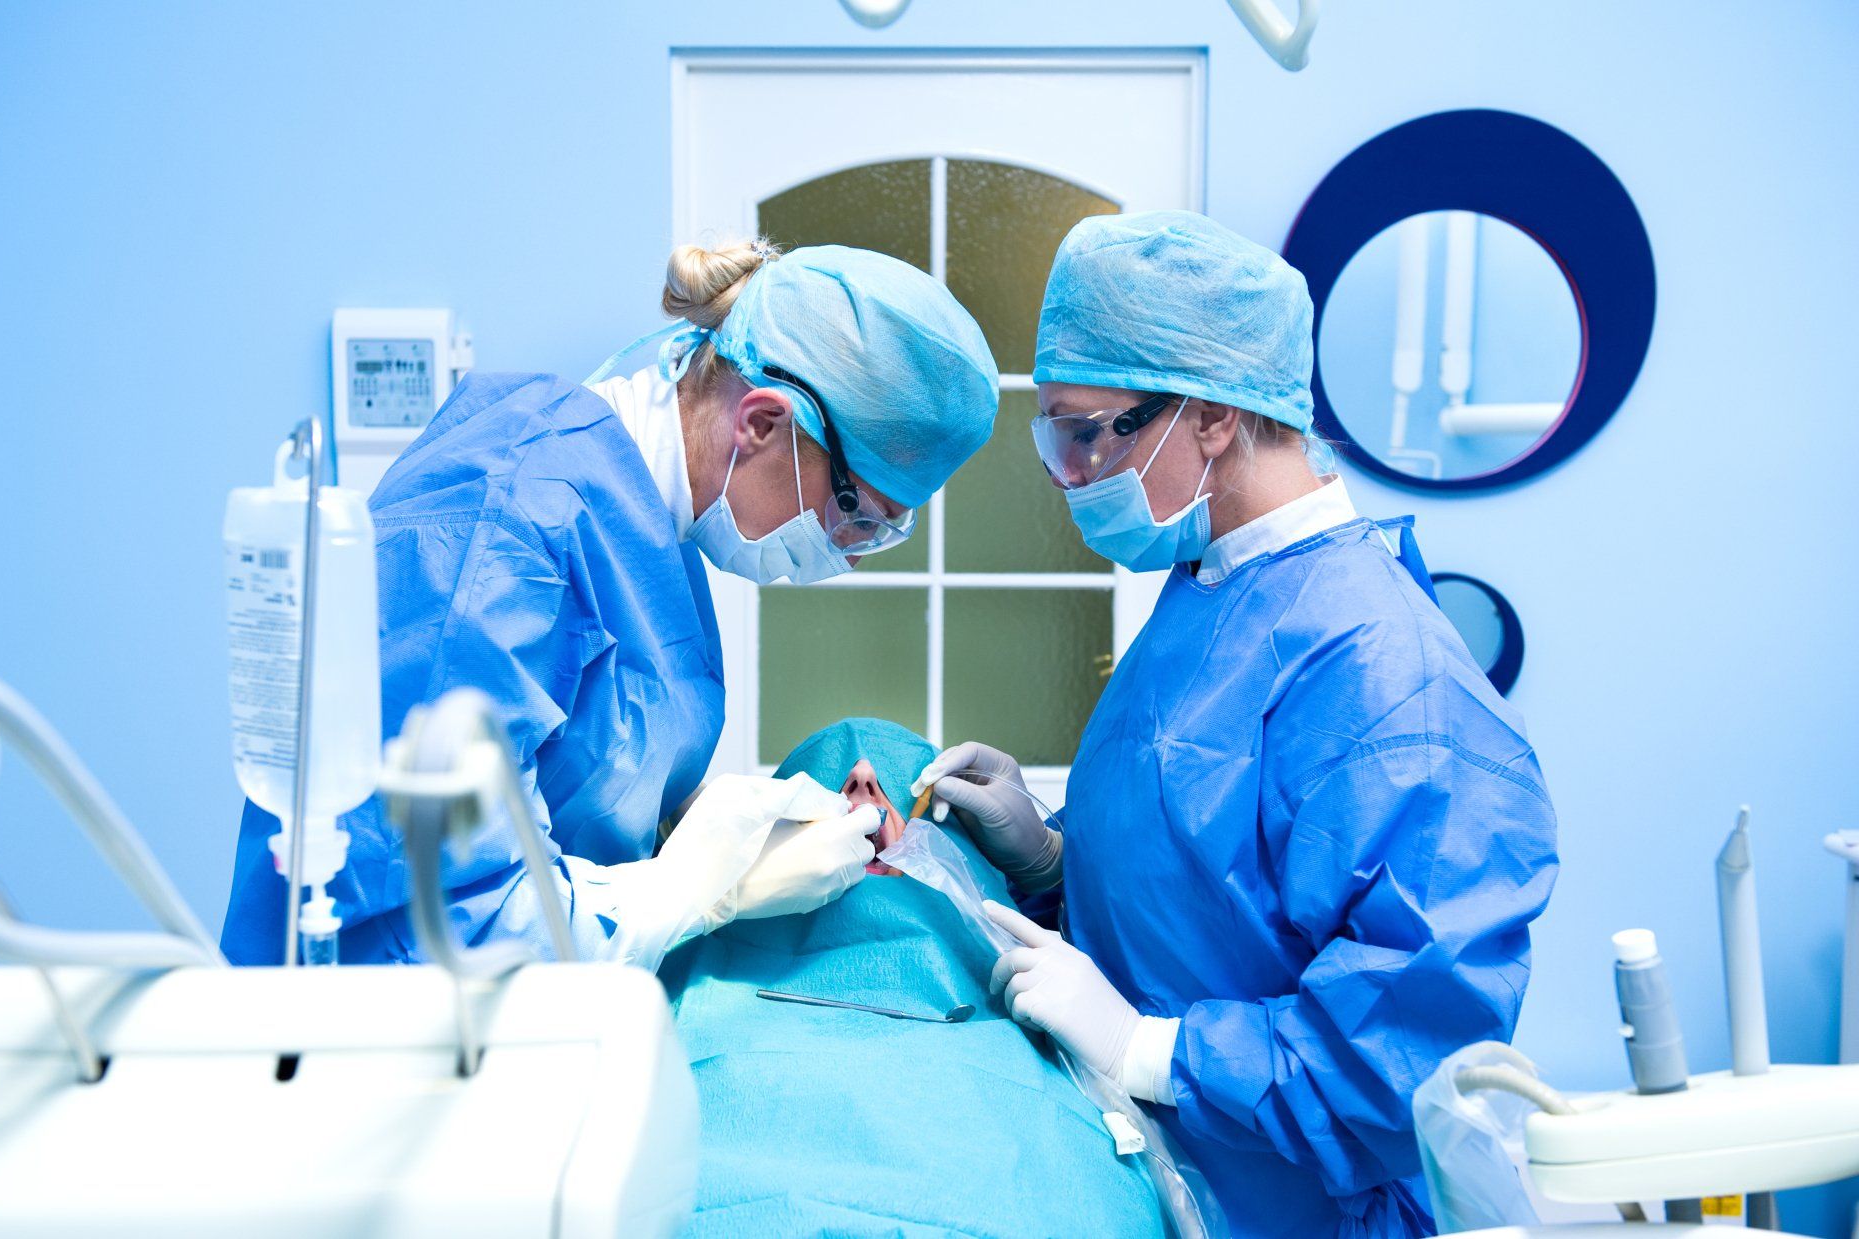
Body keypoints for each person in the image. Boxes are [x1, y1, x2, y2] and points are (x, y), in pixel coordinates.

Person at [911, 211, 1559, 1238]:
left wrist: (1147, 1051)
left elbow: (1411, 1063)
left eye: (1090, 432)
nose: (1070, 473)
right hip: (1158, 1176)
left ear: (1210, 419)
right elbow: (1212, 898)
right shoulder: (1210, 593)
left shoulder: (1390, 683)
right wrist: (1048, 853)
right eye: (1057, 437)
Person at [221, 240, 999, 965]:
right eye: (855, 510)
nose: (854, 549)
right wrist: (707, 888)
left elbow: (589, 778)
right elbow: (423, 922)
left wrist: (712, 824)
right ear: (763, 422)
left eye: (884, 530)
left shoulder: (650, 531)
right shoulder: (506, 526)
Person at [660, 718, 1172, 1238]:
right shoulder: (673, 992)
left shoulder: (1056, 1010)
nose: (861, 775)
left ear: (967, 860)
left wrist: (1049, 864)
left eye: (902, 783)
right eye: (822, 781)